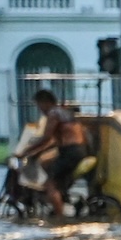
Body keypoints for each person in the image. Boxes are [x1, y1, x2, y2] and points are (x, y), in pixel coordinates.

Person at [20, 89, 89, 217]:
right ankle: (63, 195)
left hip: (70, 152)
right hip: (77, 150)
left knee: (50, 184)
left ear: (45, 102)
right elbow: (54, 141)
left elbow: (46, 137)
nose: (40, 109)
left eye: (39, 105)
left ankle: (59, 217)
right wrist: (37, 152)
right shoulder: (64, 113)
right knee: (46, 163)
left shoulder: (54, 113)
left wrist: (25, 151)